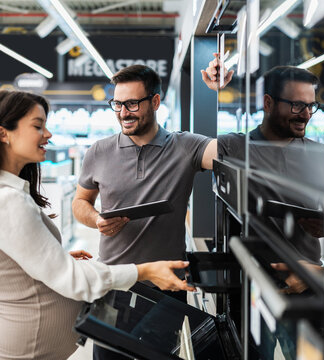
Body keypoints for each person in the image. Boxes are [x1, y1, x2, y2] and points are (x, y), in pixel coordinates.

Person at [0, 90, 194, 360]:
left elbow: (13, 260)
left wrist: (56, 258)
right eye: (37, 126)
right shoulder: (6, 200)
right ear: (3, 133)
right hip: (16, 352)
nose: (48, 134)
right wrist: (144, 272)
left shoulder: (4, 192)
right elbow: (73, 280)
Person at [72, 64, 216, 360]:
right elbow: (79, 203)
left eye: (132, 103)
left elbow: (232, 154)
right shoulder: (98, 151)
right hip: (114, 284)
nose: (124, 112)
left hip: (166, 288)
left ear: (155, 102)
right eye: (118, 104)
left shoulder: (186, 147)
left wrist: (217, 92)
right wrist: (97, 219)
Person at [203, 57, 324, 265]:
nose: (306, 115)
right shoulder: (233, 147)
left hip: (306, 277)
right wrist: (211, 91)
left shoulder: (321, 155)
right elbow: (192, 150)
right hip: (250, 280)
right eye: (297, 105)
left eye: (310, 106)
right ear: (268, 103)